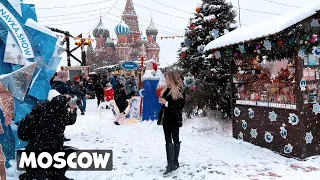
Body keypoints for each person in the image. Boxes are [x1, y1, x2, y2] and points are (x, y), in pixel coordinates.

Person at [18, 90, 77, 180]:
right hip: (41, 144)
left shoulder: (58, 113)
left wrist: (73, 111)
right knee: (42, 172)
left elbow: (69, 121)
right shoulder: (46, 110)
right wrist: (65, 97)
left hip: (51, 144)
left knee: (55, 166)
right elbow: (56, 103)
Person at [157, 70, 185, 177]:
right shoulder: (166, 88)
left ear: (173, 78)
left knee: (176, 138)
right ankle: (170, 164)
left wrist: (167, 102)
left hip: (174, 118)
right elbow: (165, 103)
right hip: (166, 118)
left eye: (168, 78)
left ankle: (175, 162)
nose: (166, 80)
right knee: (167, 140)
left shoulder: (180, 89)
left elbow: (180, 105)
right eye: (166, 78)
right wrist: (162, 101)